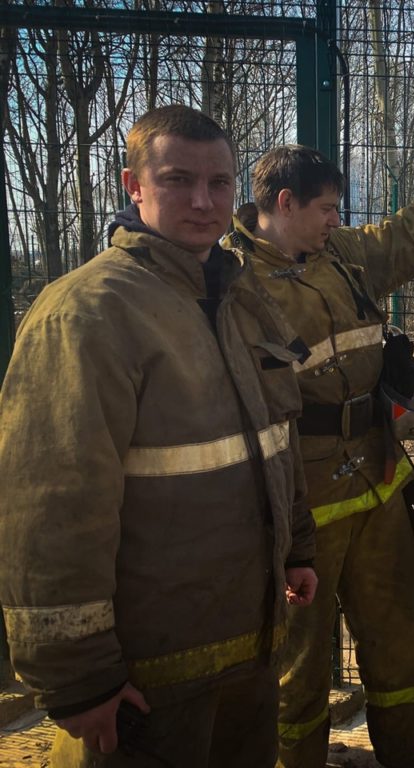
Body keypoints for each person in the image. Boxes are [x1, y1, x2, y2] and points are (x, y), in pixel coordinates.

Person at [0, 105, 318, 767]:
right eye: (178, 180)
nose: (204, 202)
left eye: (220, 183)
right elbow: (50, 508)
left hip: (247, 651)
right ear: (133, 185)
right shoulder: (88, 313)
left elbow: (273, 439)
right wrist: (80, 676)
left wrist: (298, 547)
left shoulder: (234, 299)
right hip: (142, 684)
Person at [225, 144, 414, 768]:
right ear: (285, 204)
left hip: (378, 479)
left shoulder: (343, 257)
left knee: (401, 632)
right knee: (296, 660)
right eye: (328, 209)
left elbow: (410, 233)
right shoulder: (231, 282)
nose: (338, 219)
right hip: (298, 504)